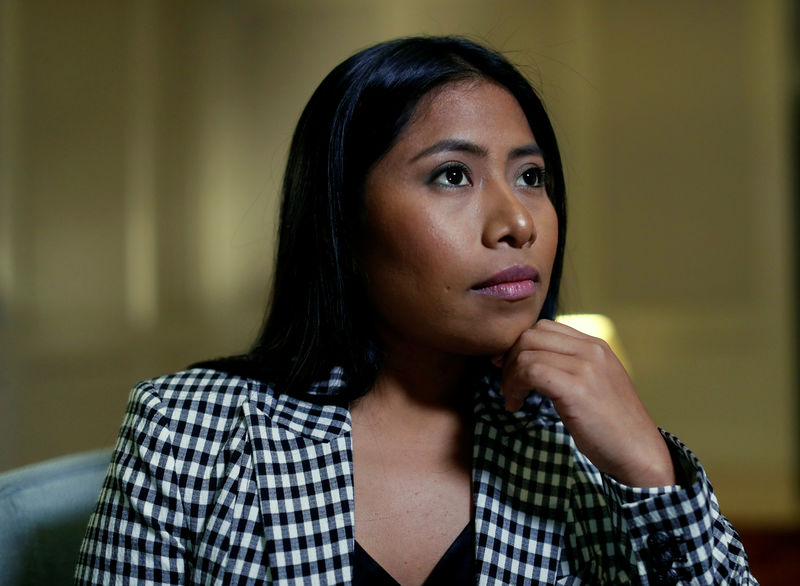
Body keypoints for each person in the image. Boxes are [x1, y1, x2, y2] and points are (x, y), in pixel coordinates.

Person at [75, 36, 756, 585]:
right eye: (451, 175)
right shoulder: (190, 429)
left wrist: (651, 474)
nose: (518, 222)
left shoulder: (582, 443)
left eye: (531, 176)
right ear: (343, 217)